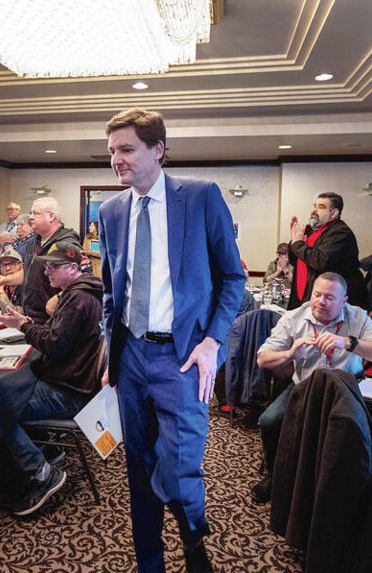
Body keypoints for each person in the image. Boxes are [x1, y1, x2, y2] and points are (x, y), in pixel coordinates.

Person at [100, 108, 246, 572]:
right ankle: (150, 563)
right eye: (111, 152)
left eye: (126, 149)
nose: (116, 160)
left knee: (180, 468)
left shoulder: (200, 198)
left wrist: (213, 341)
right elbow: (111, 289)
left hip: (183, 357)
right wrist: (111, 352)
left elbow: (233, 278)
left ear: (158, 150)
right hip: (131, 356)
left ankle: (194, 542)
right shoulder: (110, 211)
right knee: (137, 469)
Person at [250, 273, 372, 503]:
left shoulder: (357, 317)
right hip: (305, 385)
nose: (320, 302)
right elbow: (262, 358)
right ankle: (273, 474)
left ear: (344, 301)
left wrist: (349, 342)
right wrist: (289, 354)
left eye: (329, 297)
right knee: (269, 421)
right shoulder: (293, 318)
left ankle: (348, 486)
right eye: (317, 295)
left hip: (345, 387)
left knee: (353, 428)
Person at [0, 242, 104, 515]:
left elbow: (55, 345)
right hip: (73, 380)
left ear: (73, 268)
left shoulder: (78, 300)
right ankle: (44, 445)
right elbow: (59, 334)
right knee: (14, 387)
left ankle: (41, 472)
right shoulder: (80, 292)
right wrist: (25, 321)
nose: (47, 273)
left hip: (70, 391)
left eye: (53, 267)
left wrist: (23, 325)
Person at [286, 192, 368, 309]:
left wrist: (298, 244)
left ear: (334, 213)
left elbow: (322, 261)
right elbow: (297, 261)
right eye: (315, 206)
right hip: (305, 297)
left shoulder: (340, 233)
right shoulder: (312, 231)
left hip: (333, 303)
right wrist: (294, 241)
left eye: (321, 207)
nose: (314, 210)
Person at [22, 197, 80, 324]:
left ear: (51, 216)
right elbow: (31, 270)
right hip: (31, 317)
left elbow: (83, 279)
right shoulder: (34, 241)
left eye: (35, 213)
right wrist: (6, 280)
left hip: (52, 320)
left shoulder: (66, 243)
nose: (30, 217)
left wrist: (59, 297)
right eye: (31, 213)